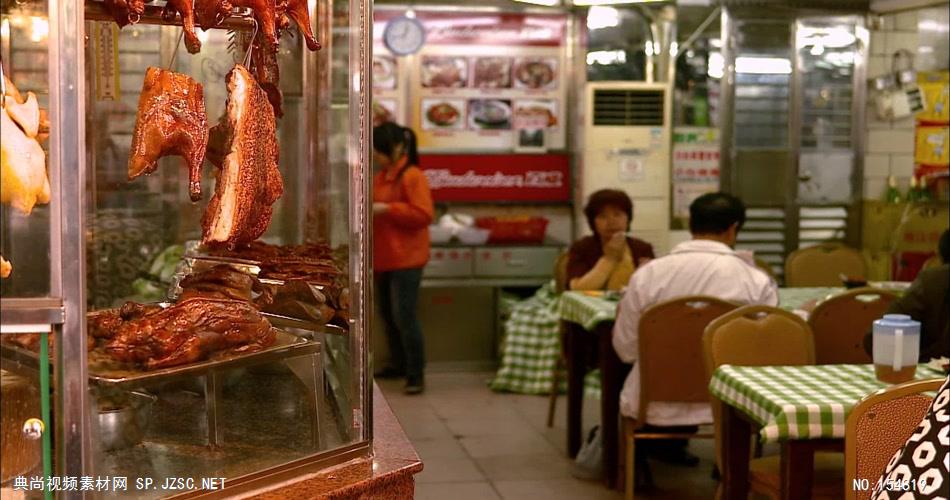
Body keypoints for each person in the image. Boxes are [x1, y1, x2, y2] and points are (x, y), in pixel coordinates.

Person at [612, 192, 777, 469]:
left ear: (691, 225)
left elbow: (625, 349)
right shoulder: (754, 280)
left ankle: (631, 471)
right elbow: (764, 351)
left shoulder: (648, 275)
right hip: (732, 403)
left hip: (652, 399)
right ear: (733, 229)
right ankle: (731, 472)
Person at [372, 122, 434, 395]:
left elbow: (423, 215)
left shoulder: (412, 176)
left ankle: (415, 373)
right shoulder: (382, 176)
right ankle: (397, 364)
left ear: (397, 147)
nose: (377, 155)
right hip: (383, 259)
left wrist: (387, 209)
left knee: (405, 316)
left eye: (381, 150)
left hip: (407, 260)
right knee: (387, 315)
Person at [863, 229, 950, 361]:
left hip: (932, 376)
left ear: (940, 257)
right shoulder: (934, 282)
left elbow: (877, 338)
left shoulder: (933, 281)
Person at [567, 189, 655, 291]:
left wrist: (645, 276)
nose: (611, 222)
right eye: (602, 216)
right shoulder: (581, 248)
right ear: (593, 222)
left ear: (628, 218)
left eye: (617, 214)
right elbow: (578, 289)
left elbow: (653, 289)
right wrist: (609, 258)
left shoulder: (642, 248)